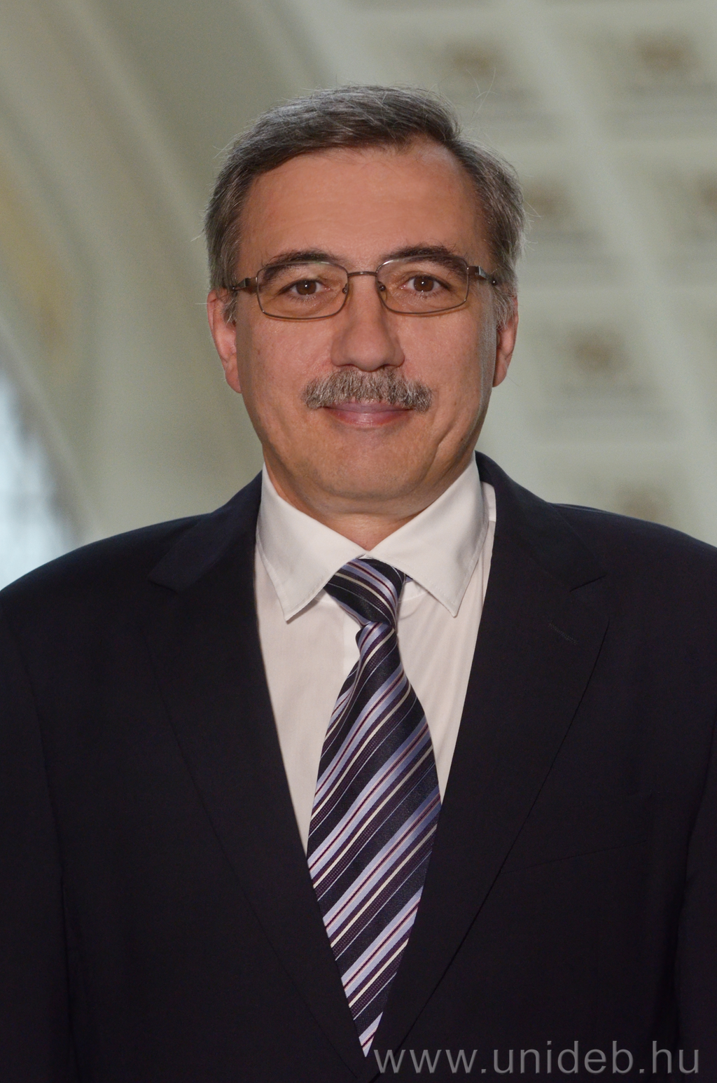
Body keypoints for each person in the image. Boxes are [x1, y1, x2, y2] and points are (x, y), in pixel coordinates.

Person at [1, 85, 715, 1083]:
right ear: (228, 333)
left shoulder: (690, 631)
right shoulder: (41, 654)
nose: (367, 344)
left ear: (503, 328)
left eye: (423, 283)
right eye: (304, 287)